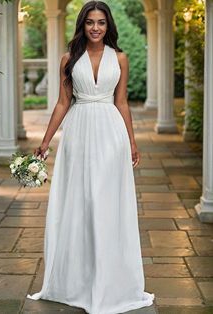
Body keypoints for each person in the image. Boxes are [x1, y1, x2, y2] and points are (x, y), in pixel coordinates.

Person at [27, 1, 154, 313]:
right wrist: (45, 141)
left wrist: (132, 142)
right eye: (90, 23)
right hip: (79, 135)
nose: (95, 28)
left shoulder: (120, 58)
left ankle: (109, 281)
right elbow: (62, 102)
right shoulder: (69, 58)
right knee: (82, 203)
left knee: (105, 203)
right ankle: (81, 279)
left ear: (108, 25)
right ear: (82, 25)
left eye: (101, 22)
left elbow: (122, 102)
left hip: (112, 135)